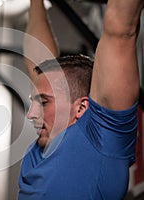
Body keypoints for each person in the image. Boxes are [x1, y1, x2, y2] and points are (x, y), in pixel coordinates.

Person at [18, 0, 143, 199]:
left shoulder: (102, 138)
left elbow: (120, 31)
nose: (31, 114)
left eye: (43, 102)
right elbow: (39, 59)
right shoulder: (45, 144)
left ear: (81, 107)